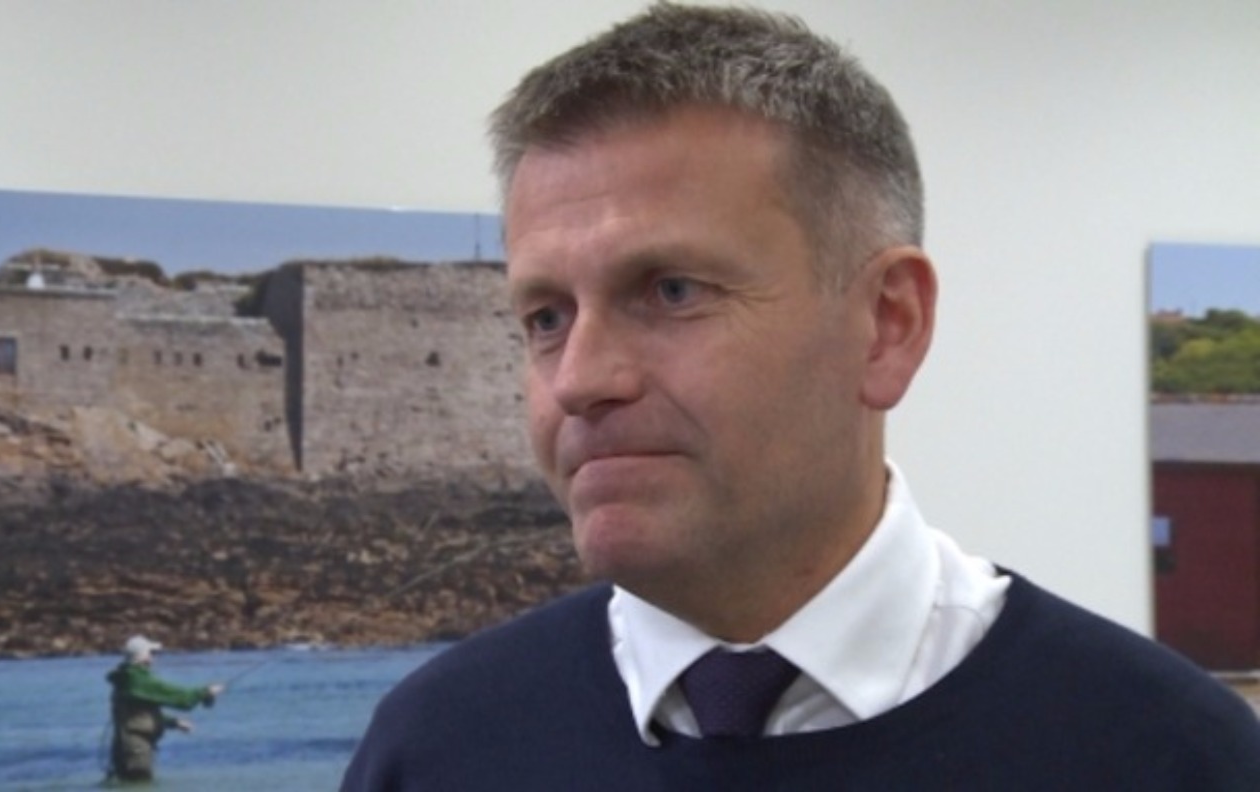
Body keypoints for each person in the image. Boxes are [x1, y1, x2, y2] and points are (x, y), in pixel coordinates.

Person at [342, 4, 1260, 789]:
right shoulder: (438, 749)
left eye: (671, 292)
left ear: (887, 324)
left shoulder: (1166, 755)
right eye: (546, 317)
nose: (579, 380)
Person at [105, 634, 225, 783]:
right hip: (136, 749)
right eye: (151, 653)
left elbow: (139, 714)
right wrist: (206, 691)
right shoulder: (138, 680)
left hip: (126, 747)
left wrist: (174, 723)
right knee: (140, 784)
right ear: (141, 656)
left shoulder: (128, 679)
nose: (154, 657)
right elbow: (183, 699)